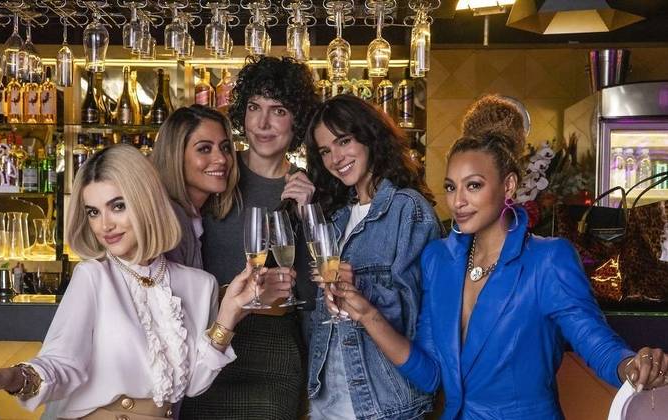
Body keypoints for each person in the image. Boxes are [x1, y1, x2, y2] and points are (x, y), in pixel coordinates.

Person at [330, 125, 668, 419]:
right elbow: (430, 374)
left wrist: (631, 366)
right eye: (451, 187)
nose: (458, 201)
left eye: (473, 185)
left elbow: (594, 341)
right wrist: (367, 314)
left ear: (508, 186)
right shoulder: (438, 260)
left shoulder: (548, 260)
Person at [0, 144, 289, 419]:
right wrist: (6, 376)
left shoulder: (199, 285)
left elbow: (194, 385)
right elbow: (61, 363)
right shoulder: (93, 276)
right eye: (93, 212)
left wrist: (228, 313)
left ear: (146, 203)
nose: (105, 225)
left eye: (117, 206)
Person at [180, 56, 319, 420]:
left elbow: (311, 295)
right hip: (209, 341)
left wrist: (308, 215)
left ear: (297, 120)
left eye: (278, 110)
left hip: (274, 353)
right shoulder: (215, 172)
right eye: (255, 107)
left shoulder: (308, 188)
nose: (262, 123)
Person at [304, 95, 438, 420]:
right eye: (325, 151)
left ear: (369, 136)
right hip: (327, 400)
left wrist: (359, 289)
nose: (336, 158)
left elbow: (420, 315)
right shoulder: (337, 217)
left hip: (384, 404)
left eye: (343, 141)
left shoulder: (408, 210)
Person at [151, 105, 239, 269]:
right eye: (204, 149)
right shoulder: (169, 220)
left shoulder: (192, 214)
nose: (221, 159)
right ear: (176, 155)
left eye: (225, 147)